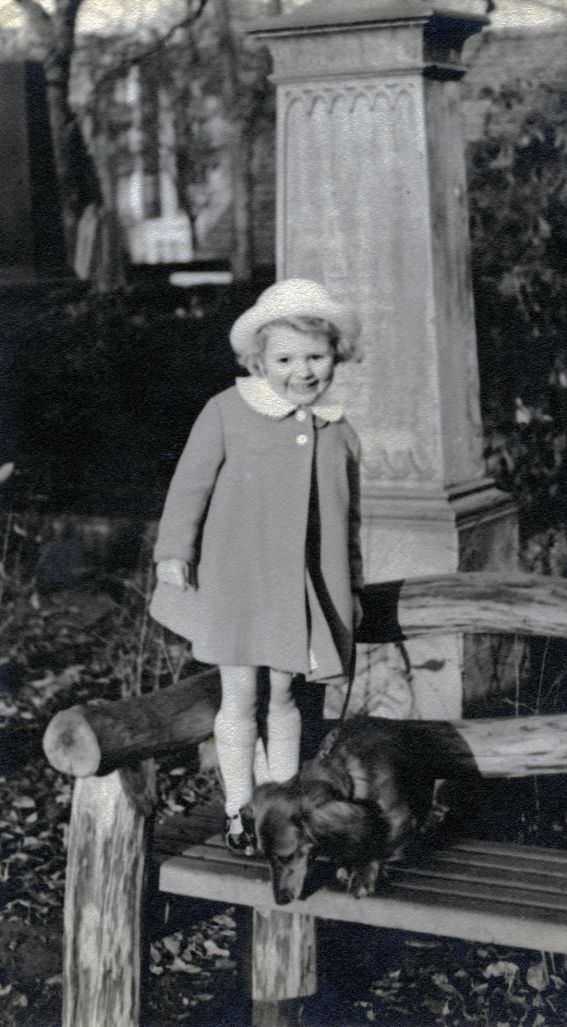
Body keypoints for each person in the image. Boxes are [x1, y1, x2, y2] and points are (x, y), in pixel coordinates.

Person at [150, 278, 364, 854]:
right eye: (286, 358)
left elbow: (349, 520)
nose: (303, 371)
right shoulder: (227, 411)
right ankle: (240, 807)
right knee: (240, 695)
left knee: (286, 698)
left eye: (316, 357)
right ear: (258, 361)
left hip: (296, 593)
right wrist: (176, 550)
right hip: (237, 584)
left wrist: (353, 586)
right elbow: (190, 484)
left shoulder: (336, 429)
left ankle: (284, 805)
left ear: (335, 357)